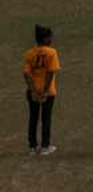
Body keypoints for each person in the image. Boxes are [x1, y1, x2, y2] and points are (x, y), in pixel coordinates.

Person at [22, 25, 60, 155]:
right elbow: (50, 73)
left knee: (33, 118)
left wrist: (33, 91)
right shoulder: (51, 52)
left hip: (32, 90)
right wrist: (44, 91)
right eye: (49, 37)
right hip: (48, 91)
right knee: (46, 118)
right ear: (44, 39)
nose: (51, 39)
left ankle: (32, 146)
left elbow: (27, 74)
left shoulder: (30, 53)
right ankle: (45, 146)